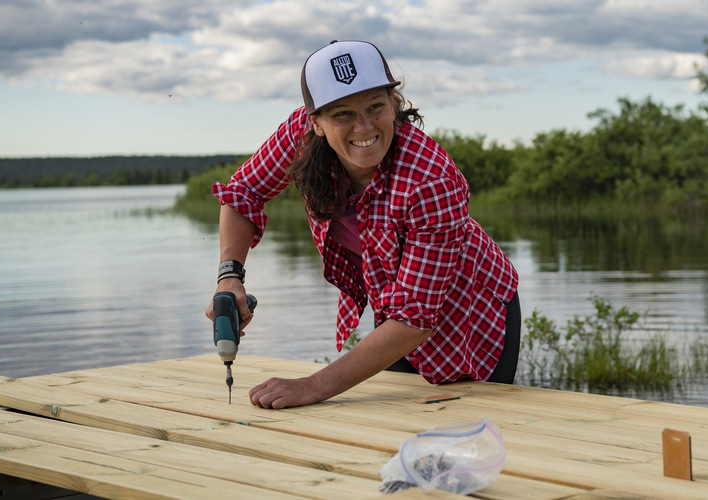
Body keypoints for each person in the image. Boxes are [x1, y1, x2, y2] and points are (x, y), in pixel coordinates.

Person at [207, 40, 520, 409]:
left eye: (375, 106)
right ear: (316, 123)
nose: (364, 127)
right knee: (396, 433)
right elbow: (243, 193)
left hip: (472, 320)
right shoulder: (300, 136)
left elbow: (415, 317)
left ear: (394, 103)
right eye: (342, 114)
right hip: (395, 313)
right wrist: (230, 276)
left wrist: (312, 386)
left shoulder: (432, 181)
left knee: (467, 437)